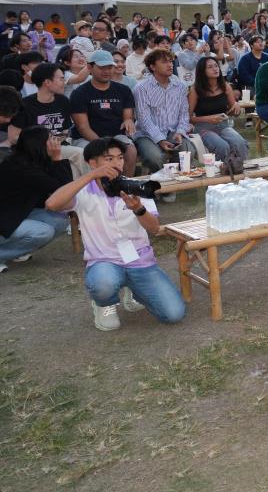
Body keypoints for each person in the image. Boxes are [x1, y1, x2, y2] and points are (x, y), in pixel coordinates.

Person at [46, 137, 186, 330]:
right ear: (92, 163)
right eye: (109, 159)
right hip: (104, 261)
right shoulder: (83, 191)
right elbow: (52, 204)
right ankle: (104, 303)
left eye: (120, 158)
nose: (117, 163)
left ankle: (134, 291)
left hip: (140, 261)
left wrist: (138, 209)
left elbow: (154, 228)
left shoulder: (135, 187)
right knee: (103, 283)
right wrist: (90, 176)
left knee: (174, 314)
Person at [0, 127, 73, 272]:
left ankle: (14, 251)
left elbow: (64, 194)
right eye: (50, 138)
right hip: (5, 220)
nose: (55, 141)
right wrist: (57, 158)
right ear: (38, 144)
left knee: (60, 221)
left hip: (14, 214)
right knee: (43, 232)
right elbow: (65, 191)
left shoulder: (31, 161)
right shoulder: (24, 169)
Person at [70, 50, 139, 176]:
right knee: (89, 154)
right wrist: (104, 145)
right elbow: (83, 127)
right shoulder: (79, 93)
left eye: (110, 67)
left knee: (130, 151)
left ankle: (125, 184)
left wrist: (128, 120)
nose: (107, 71)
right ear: (90, 67)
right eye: (102, 68)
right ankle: (95, 187)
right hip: (86, 138)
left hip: (116, 135)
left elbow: (128, 116)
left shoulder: (123, 90)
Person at [133, 48, 200, 172]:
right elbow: (144, 120)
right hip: (146, 134)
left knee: (188, 151)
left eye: (170, 61)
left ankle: (175, 179)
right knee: (155, 157)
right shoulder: (141, 88)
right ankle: (161, 182)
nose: (170, 65)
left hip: (173, 132)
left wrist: (180, 131)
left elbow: (184, 114)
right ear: (152, 67)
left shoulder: (180, 86)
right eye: (164, 62)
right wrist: (160, 140)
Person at [188, 55, 248, 163]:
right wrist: (208, 119)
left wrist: (236, 107)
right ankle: (224, 171)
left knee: (240, 143)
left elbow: (234, 113)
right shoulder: (195, 90)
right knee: (222, 146)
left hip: (223, 125)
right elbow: (188, 118)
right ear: (202, 71)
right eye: (210, 67)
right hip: (204, 128)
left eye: (216, 66)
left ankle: (240, 168)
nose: (215, 69)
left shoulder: (225, 87)